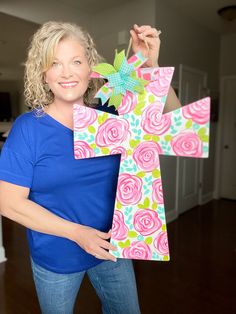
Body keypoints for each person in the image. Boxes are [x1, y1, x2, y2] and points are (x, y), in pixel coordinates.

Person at [0, 21, 181, 314]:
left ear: (90, 69)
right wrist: (77, 233)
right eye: (55, 63)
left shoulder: (112, 114)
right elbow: (9, 203)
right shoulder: (27, 129)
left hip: (112, 247)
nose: (67, 72)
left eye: (76, 61)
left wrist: (151, 64)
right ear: (44, 74)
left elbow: (173, 123)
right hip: (56, 256)